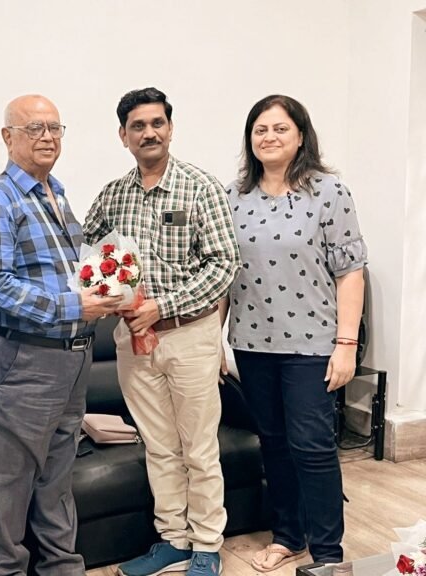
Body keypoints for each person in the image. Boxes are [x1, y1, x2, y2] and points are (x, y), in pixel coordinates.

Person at [0, 94, 124, 576]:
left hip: (71, 358)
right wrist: (78, 305)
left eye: (55, 128)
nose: (47, 137)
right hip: (22, 360)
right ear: (7, 137)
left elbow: (67, 272)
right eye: (34, 129)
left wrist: (113, 290)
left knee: (56, 478)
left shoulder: (55, 191)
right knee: (10, 484)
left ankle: (62, 568)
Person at [83, 87, 240, 576]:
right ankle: (172, 538)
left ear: (170, 129)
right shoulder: (113, 194)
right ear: (123, 136)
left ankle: (208, 545)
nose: (148, 132)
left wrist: (162, 306)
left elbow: (224, 263)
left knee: (198, 446)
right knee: (158, 445)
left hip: (190, 334)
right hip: (133, 340)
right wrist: (104, 294)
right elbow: (89, 252)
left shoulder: (201, 188)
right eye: (137, 126)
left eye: (157, 123)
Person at [221, 94, 367, 572]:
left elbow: (350, 272)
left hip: (312, 344)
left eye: (279, 128)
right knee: (274, 443)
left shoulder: (328, 192)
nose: (269, 137)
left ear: (300, 134)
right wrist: (217, 340)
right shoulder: (235, 197)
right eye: (260, 129)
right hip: (251, 343)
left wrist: (346, 345)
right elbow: (225, 274)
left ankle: (328, 556)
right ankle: (289, 536)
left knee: (313, 447)